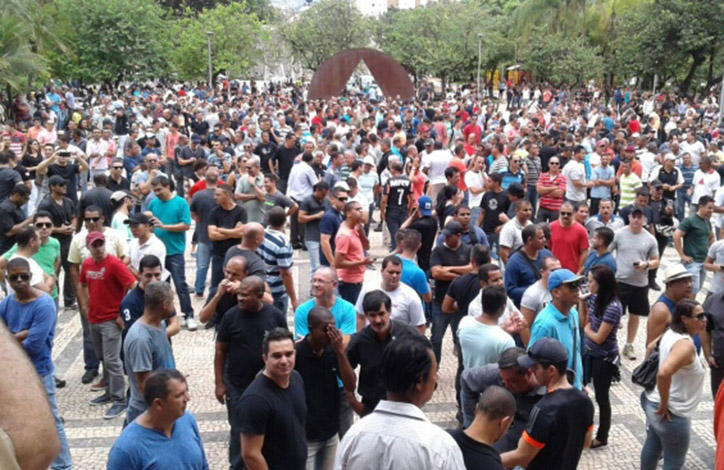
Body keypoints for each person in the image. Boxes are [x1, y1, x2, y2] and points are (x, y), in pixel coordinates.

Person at [336, 335, 465, 470]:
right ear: (420, 381)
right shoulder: (440, 446)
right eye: (434, 373)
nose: (436, 378)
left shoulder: (354, 435)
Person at [0, 257, 72, 469]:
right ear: (8, 279)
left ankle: (64, 465)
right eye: (15, 277)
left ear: (31, 277)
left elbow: (34, 345)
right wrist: (20, 335)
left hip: (40, 372)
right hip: (16, 378)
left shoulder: (44, 304)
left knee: (52, 421)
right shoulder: (6, 304)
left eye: (24, 276)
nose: (20, 281)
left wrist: (11, 340)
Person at [214, 276, 287, 470]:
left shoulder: (275, 316)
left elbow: (286, 347)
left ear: (260, 296)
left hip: (268, 387)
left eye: (245, 296)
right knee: (239, 432)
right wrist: (219, 383)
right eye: (239, 295)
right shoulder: (230, 316)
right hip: (237, 386)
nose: (240, 299)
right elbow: (220, 350)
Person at [500, 338, 594, 470]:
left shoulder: (543, 409)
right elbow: (586, 443)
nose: (531, 371)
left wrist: (490, 460)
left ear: (551, 370)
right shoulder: (585, 401)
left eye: (536, 367)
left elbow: (522, 456)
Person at [640, 299, 707, 470]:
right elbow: (664, 373)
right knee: (674, 460)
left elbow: (649, 348)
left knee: (653, 446)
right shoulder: (685, 345)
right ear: (685, 319)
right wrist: (664, 402)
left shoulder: (670, 333)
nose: (704, 319)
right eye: (699, 316)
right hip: (672, 413)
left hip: (651, 402)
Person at [79, 231, 136, 419]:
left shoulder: (114, 264)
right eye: (94, 245)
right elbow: (82, 284)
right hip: (94, 319)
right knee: (102, 357)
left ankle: (119, 399)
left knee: (112, 360)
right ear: (88, 247)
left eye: (100, 244)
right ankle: (110, 391)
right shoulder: (86, 264)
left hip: (111, 319)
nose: (98, 248)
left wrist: (122, 313)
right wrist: (86, 306)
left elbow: (132, 285)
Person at [107, 369, 209, 470]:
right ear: (158, 404)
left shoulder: (187, 420)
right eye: (179, 395)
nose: (187, 398)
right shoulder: (126, 449)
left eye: (186, 391)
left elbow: (203, 465)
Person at [295, 307, 356, 470]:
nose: (331, 335)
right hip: (306, 436)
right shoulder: (296, 355)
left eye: (333, 329)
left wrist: (340, 353)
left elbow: (350, 384)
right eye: (325, 330)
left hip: (330, 433)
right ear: (311, 329)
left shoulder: (333, 351)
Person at [346, 290, 425, 416]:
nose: (378, 320)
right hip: (373, 406)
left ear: (389, 312)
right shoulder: (359, 341)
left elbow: (426, 363)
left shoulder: (408, 335)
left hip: (405, 405)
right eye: (372, 315)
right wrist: (353, 401)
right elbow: (345, 370)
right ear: (366, 316)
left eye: (382, 314)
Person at [239, 328, 308, 470]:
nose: (284, 361)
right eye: (277, 356)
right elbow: (250, 454)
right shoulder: (255, 400)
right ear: (265, 358)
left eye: (288, 354)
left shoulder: (296, 378)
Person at [460, 348, 546, 448]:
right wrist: (471, 425)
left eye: (512, 381)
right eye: (503, 380)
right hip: (502, 428)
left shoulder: (548, 387)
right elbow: (466, 379)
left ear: (529, 373)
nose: (506, 385)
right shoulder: (496, 373)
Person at [579, 265, 622, 449]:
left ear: (601, 283)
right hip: (590, 353)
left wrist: (587, 329)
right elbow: (583, 321)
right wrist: (582, 302)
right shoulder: (594, 298)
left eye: (590, 281)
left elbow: (598, 337)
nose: (588, 285)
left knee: (602, 398)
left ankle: (602, 436)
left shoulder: (613, 307)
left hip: (604, 358)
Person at [609, 206, 659, 361]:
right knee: (615, 315)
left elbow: (656, 260)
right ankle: (611, 342)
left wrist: (647, 265)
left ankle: (629, 344)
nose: (636, 220)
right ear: (629, 217)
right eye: (634, 217)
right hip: (621, 281)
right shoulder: (619, 234)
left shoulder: (650, 238)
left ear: (644, 219)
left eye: (640, 217)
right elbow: (608, 252)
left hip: (640, 283)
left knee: (635, 315)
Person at [123, 281, 176, 424]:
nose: (174, 306)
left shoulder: (161, 325)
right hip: (148, 413)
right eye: (172, 301)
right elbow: (145, 386)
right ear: (164, 304)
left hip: (164, 408)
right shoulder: (141, 339)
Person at [148, 175, 195, 330]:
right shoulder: (153, 203)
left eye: (159, 189)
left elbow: (186, 225)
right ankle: (166, 315)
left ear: (168, 186)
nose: (157, 193)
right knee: (162, 286)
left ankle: (188, 314)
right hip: (157, 251)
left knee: (180, 284)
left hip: (174, 251)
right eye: (154, 190)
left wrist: (165, 227)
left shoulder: (180, 203)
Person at [528, 269, 585, 389]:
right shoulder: (545, 324)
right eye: (572, 286)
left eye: (578, 285)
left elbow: (575, 353)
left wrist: (578, 383)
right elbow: (534, 364)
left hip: (572, 389)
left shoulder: (573, 313)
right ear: (556, 292)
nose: (577, 289)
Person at [430, 221, 473, 364]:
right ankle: (434, 368)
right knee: (436, 338)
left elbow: (471, 268)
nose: (446, 239)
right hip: (441, 301)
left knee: (461, 339)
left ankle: (463, 366)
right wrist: (461, 276)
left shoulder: (467, 250)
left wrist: (448, 269)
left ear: (458, 236)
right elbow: (436, 272)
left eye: (449, 236)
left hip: (461, 304)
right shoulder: (438, 251)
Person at [449, 385, 516, 470]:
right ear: (504, 422)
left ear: (476, 408)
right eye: (511, 424)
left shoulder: (445, 440)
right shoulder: (492, 465)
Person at [355, 255, 425, 332]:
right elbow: (360, 316)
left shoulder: (410, 296)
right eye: (391, 272)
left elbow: (419, 325)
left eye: (398, 273)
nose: (394, 276)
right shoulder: (368, 289)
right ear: (382, 271)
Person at [37, 174, 77, 309]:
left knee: (71, 270)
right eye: (60, 185)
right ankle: (54, 298)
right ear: (52, 187)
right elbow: (41, 224)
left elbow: (74, 216)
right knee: (54, 270)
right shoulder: (46, 204)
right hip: (53, 241)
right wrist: (60, 230)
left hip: (68, 240)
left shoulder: (68, 201)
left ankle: (69, 299)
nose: (64, 187)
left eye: (64, 184)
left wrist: (72, 225)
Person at [458, 285, 516, 370]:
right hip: (493, 383)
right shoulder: (506, 341)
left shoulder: (464, 323)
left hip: (469, 379)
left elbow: (484, 336)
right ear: (503, 307)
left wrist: (502, 329)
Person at [207, 183, 247, 297]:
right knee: (216, 286)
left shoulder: (241, 211)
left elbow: (240, 233)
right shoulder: (214, 212)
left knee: (237, 285)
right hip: (218, 255)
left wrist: (220, 229)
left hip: (235, 255)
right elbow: (212, 235)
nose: (215, 197)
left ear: (227, 195)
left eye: (218, 195)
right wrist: (232, 232)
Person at [260, 206, 298, 314]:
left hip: (261, 285)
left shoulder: (261, 234)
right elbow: (285, 273)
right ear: (285, 221)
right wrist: (294, 299)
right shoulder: (282, 244)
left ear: (268, 220)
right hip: (276, 291)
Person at [334, 201, 373, 305]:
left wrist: (361, 234)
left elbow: (366, 246)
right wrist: (361, 263)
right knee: (350, 312)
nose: (361, 212)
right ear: (348, 214)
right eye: (357, 209)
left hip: (357, 279)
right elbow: (338, 263)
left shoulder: (356, 228)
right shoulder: (344, 235)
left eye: (361, 209)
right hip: (348, 282)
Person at [646, 264, 695, 348]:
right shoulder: (661, 310)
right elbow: (651, 346)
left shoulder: (684, 301)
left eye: (690, 281)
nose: (689, 285)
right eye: (684, 282)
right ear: (670, 285)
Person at [189, 164, 219, 297]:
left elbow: (192, 214)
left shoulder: (198, 196)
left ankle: (199, 289)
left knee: (202, 266)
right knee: (218, 266)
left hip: (203, 235)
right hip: (220, 236)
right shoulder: (224, 193)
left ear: (204, 180)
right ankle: (215, 289)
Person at [674, 194, 714, 293]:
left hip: (703, 262)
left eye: (712, 208)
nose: (711, 211)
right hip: (692, 263)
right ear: (701, 206)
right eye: (709, 208)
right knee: (691, 291)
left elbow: (711, 237)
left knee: (697, 290)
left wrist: (711, 254)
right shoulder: (690, 221)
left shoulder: (707, 222)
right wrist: (682, 255)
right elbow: (676, 235)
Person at [504, 224, 552, 308]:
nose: (544, 240)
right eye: (540, 238)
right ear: (530, 240)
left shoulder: (547, 254)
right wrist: (533, 291)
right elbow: (510, 290)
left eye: (544, 237)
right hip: (526, 308)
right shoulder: (514, 262)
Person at [400, 195, 438, 273]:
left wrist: (412, 216)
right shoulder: (433, 221)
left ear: (418, 208)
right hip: (428, 254)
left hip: (418, 257)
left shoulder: (418, 224)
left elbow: (401, 230)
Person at [298, 181, 329, 276]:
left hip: (323, 236)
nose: (323, 197)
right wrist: (316, 216)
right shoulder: (307, 201)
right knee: (316, 266)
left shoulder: (326, 201)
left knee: (324, 265)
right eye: (322, 194)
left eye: (325, 195)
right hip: (312, 237)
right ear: (316, 190)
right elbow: (300, 218)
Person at [520, 256, 560, 327]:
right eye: (553, 271)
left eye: (559, 270)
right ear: (542, 272)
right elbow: (524, 327)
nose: (557, 274)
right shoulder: (532, 294)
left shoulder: (563, 289)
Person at [380, 161, 413, 250]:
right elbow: (413, 199)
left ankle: (396, 255)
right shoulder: (408, 181)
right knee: (403, 234)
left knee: (394, 235)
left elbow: (383, 200)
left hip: (392, 210)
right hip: (403, 209)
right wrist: (409, 211)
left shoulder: (389, 182)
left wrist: (382, 213)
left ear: (394, 170)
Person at [549, 202, 589, 273]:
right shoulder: (551, 227)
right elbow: (547, 248)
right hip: (554, 270)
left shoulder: (581, 230)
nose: (565, 216)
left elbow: (584, 253)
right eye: (563, 213)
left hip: (572, 272)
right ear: (559, 212)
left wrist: (579, 272)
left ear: (574, 213)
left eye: (568, 214)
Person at [319, 186, 347, 267]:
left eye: (346, 199)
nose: (344, 202)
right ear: (332, 199)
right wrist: (332, 263)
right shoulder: (329, 216)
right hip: (329, 263)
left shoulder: (339, 214)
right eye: (341, 199)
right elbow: (324, 241)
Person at [498, 200, 533, 265]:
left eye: (530, 210)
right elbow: (504, 253)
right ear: (517, 211)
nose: (528, 212)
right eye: (525, 210)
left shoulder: (530, 224)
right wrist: (510, 268)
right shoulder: (509, 228)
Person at [0, 183, 31, 254]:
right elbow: (9, 232)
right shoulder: (5, 208)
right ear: (17, 196)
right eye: (25, 198)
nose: (26, 201)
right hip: (6, 248)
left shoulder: (16, 206)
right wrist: (29, 220)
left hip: (15, 245)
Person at [235, 156, 265, 223]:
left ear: (257, 167)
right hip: (245, 219)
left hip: (260, 219)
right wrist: (255, 196)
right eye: (246, 168)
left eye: (249, 168)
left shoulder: (264, 179)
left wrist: (253, 184)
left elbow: (263, 198)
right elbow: (237, 196)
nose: (247, 170)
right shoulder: (243, 179)